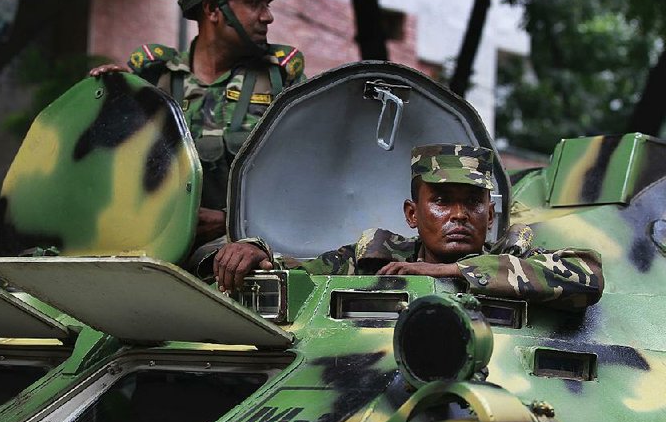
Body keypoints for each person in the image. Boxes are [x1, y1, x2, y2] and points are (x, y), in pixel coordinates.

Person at [89, 0, 305, 253]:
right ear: (213, 10)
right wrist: (106, 101)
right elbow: (112, 171)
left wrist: (230, 220)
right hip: (151, 249)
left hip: (248, 254)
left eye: (267, 3)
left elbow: (308, 178)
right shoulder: (153, 78)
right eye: (255, 2)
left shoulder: (281, 81)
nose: (268, 16)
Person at [206, 144, 604, 311]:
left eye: (473, 203)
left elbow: (587, 277)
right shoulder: (374, 256)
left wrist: (449, 271)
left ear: (491, 214)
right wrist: (255, 251)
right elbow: (294, 274)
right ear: (413, 215)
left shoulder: (513, 255)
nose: (459, 215)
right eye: (442, 201)